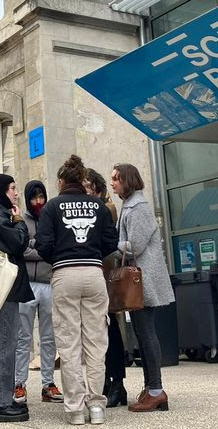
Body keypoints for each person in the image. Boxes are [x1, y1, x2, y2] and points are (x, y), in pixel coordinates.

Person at [36, 156, 119, 425]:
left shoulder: (52, 207)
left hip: (64, 273)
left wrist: (59, 256)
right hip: (94, 272)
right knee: (96, 343)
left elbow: (43, 244)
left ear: (61, 181)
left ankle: (74, 409)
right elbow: (111, 241)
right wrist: (92, 252)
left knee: (69, 344)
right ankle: (96, 406)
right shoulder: (98, 205)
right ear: (82, 179)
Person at [111, 163, 175, 413]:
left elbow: (134, 245)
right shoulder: (131, 205)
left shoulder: (138, 207)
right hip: (140, 280)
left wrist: (110, 243)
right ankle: (151, 388)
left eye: (116, 178)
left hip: (143, 280)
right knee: (142, 332)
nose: (113, 182)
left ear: (128, 180)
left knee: (146, 333)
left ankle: (156, 390)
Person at [0, 173, 33, 424]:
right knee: (3, 342)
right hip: (3, 289)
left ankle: (3, 397)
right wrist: (20, 221)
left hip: (7, 288)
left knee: (7, 342)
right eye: (13, 188)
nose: (16, 192)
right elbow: (18, 243)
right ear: (2, 190)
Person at [14, 180, 63, 405]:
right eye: (34, 198)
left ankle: (48, 384)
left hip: (48, 282)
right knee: (23, 337)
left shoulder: (51, 217)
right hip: (27, 285)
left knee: (48, 337)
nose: (38, 202)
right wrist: (40, 247)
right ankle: (19, 384)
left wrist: (36, 247)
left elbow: (54, 248)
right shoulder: (21, 219)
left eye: (41, 196)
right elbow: (20, 247)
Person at [87, 169, 126, 408]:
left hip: (106, 276)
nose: (86, 192)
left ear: (97, 189)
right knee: (99, 333)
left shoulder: (105, 208)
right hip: (98, 275)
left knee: (110, 332)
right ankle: (106, 382)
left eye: (88, 188)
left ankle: (116, 383)